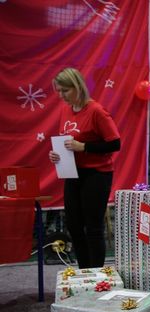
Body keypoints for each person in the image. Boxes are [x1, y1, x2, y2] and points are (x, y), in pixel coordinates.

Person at [49, 67, 121, 268]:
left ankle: (96, 275)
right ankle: (84, 272)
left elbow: (115, 143)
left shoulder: (97, 111)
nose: (61, 95)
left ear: (78, 87)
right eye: (59, 91)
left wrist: (84, 147)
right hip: (73, 173)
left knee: (93, 227)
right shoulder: (65, 110)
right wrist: (57, 154)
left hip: (97, 174)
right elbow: (67, 141)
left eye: (65, 90)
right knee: (74, 226)